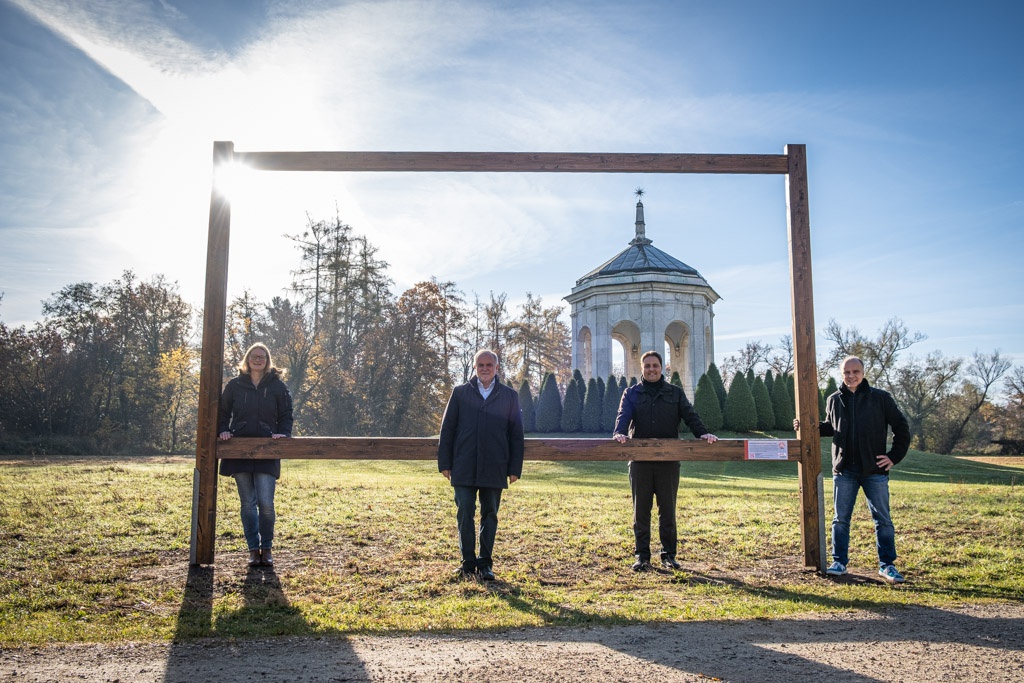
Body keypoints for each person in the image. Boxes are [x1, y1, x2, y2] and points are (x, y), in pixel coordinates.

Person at [795, 355, 910, 584]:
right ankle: (839, 562)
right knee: (840, 520)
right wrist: (807, 427)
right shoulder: (834, 399)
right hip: (844, 470)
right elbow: (831, 428)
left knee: (883, 520)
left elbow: (901, 428)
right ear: (842, 373)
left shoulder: (881, 399)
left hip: (874, 470)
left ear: (863, 372)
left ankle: (887, 565)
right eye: (847, 372)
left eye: (855, 371)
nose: (851, 376)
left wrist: (893, 457)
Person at [613, 350, 718, 571]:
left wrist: (703, 434)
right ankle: (642, 557)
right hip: (639, 461)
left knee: (667, 510)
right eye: (647, 366)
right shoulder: (631, 393)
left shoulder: (675, 393)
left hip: (669, 461)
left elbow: (690, 416)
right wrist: (619, 433)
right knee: (640, 510)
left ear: (662, 368)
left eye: (655, 365)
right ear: (642, 369)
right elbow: (623, 416)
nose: (652, 369)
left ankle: (668, 555)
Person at [437, 349, 525, 582]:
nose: (485, 368)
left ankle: (485, 564)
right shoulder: (460, 393)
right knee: (465, 512)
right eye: (480, 365)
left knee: (490, 514)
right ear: (474, 368)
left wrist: (515, 468)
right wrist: (444, 463)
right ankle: (467, 563)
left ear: (497, 368)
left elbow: (516, 434)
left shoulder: (509, 396)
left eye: (489, 365)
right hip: (463, 465)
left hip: (495, 465)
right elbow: (447, 430)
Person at [218, 342, 293, 568]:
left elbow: (287, 414)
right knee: (248, 504)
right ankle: (253, 550)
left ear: (268, 360)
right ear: (247, 359)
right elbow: (222, 411)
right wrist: (224, 430)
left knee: (266, 503)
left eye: (262, 356)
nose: (258, 359)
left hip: (268, 450)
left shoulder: (278, 386)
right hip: (239, 448)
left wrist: (283, 433)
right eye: (254, 356)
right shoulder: (235, 385)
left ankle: (267, 548)